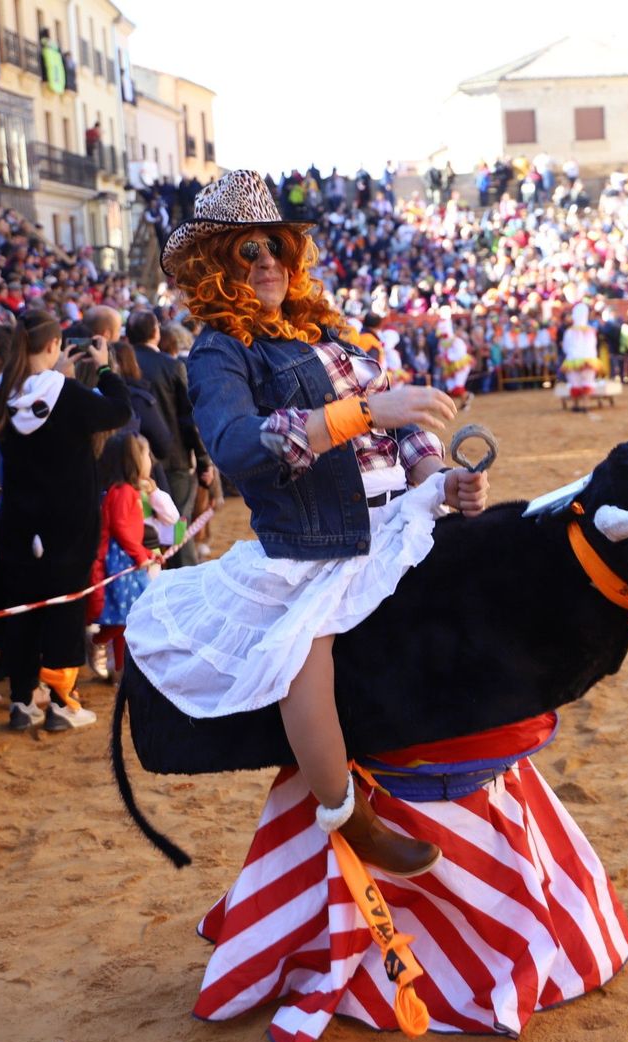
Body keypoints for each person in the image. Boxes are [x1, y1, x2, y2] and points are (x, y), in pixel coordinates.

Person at [127, 170, 488, 876]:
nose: (265, 263)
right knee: (302, 652)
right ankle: (345, 809)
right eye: (245, 252)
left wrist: (440, 479)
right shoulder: (218, 349)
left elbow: (401, 425)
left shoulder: (330, 329)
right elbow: (235, 445)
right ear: (216, 265)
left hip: (403, 517)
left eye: (276, 248)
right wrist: (359, 413)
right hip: (318, 542)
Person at [0, 309, 131, 730]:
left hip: (18, 519)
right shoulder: (68, 395)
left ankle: (21, 699)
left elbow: (33, 396)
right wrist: (104, 366)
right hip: (67, 519)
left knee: (21, 607)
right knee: (65, 607)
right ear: (54, 346)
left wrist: (59, 375)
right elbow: (119, 410)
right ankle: (61, 700)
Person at [126, 307, 210, 567]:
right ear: (155, 333)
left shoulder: (123, 367)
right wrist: (204, 459)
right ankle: (185, 588)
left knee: (149, 531)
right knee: (176, 528)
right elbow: (189, 417)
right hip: (174, 460)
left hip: (135, 463)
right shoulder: (171, 366)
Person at [89, 432, 164, 684]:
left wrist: (147, 553)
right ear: (132, 460)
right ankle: (102, 646)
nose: (150, 461)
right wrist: (141, 555)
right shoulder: (122, 492)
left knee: (127, 620)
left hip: (131, 559)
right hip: (123, 564)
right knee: (126, 618)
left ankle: (122, 669)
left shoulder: (128, 490)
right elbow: (122, 530)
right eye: (144, 455)